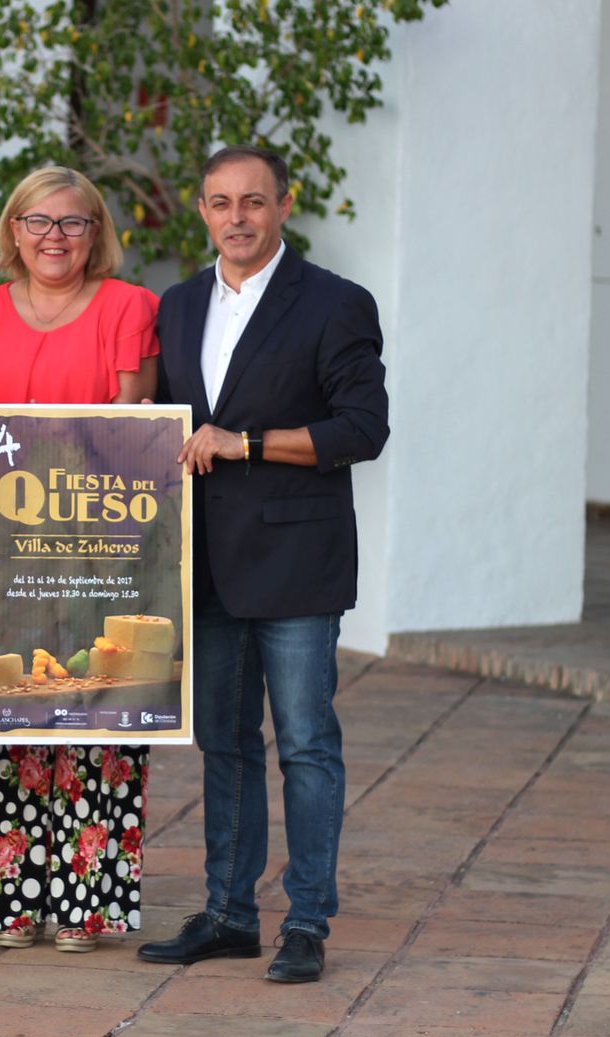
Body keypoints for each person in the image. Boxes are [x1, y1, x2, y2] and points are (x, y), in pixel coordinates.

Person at [136, 146, 389, 982]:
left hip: (296, 562)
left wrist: (244, 445)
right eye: (219, 202)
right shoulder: (175, 305)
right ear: (200, 211)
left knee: (307, 746)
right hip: (203, 561)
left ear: (284, 203)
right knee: (225, 743)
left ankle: (308, 921)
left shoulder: (335, 304)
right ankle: (228, 915)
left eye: (253, 201)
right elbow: (161, 418)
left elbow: (362, 430)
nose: (236, 217)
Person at [0, 165, 158, 952]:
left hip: (100, 552)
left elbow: (135, 428)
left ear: (96, 232)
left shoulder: (134, 309)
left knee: (100, 719)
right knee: (5, 718)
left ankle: (85, 906)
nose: (54, 238)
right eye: (38, 222)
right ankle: (11, 900)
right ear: (12, 231)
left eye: (72, 223)